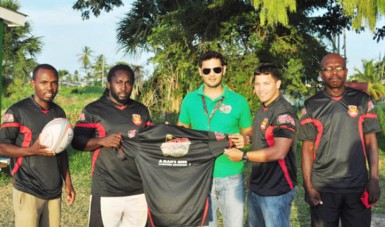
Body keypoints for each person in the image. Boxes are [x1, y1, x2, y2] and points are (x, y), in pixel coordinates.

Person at [298, 53, 382, 227]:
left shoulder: (362, 100)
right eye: (328, 68)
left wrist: (374, 178)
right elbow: (307, 148)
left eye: (338, 68)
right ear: (321, 74)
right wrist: (308, 185)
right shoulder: (312, 105)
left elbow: (371, 141)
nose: (334, 72)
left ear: (346, 72)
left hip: (357, 186)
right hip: (323, 187)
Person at [177, 51, 253, 227]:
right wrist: (170, 132)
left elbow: (249, 132)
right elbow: (182, 132)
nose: (212, 74)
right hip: (199, 176)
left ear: (224, 70)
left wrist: (246, 140)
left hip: (231, 176)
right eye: (207, 70)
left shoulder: (238, 101)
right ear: (200, 72)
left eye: (216, 69)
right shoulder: (189, 100)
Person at [71, 64, 152, 227]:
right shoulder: (93, 110)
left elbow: (150, 142)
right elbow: (76, 141)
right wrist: (101, 141)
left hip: (139, 190)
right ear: (109, 84)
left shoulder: (141, 110)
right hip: (106, 190)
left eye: (128, 82)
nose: (123, 87)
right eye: (119, 82)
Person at [0, 64, 76, 227]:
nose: (50, 87)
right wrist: (30, 150)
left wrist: (68, 183)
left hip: (54, 191)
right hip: (28, 189)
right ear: (33, 83)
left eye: (54, 82)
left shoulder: (59, 113)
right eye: (44, 82)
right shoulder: (18, 111)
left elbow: (61, 152)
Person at [224, 63, 298, 227]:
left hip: (276, 191)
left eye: (266, 83)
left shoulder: (283, 112)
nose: (261, 89)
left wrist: (243, 156)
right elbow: (262, 138)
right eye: (257, 84)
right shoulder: (263, 108)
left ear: (278, 84)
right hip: (257, 187)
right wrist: (246, 140)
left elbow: (279, 151)